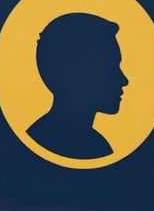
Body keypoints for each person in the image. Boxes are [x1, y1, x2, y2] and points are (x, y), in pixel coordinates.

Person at [27, 13, 129, 159]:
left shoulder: (97, 146)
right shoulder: (45, 139)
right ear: (75, 73)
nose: (124, 80)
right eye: (110, 68)